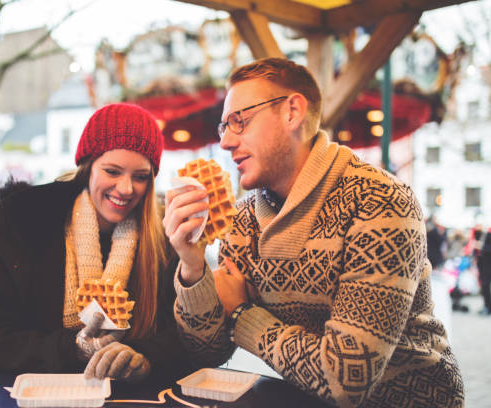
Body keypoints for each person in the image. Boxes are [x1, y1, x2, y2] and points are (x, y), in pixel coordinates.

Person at [164, 58, 464, 406]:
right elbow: (207, 355)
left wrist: (243, 315)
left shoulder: (379, 202)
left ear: (292, 112)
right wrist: (192, 266)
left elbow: (347, 380)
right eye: (223, 127)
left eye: (239, 121)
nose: (227, 141)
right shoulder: (243, 219)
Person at [0, 103, 192, 382]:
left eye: (140, 176)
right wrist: (74, 349)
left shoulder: (163, 242)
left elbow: (183, 339)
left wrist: (144, 356)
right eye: (113, 171)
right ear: (88, 166)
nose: (126, 189)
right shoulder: (29, 225)